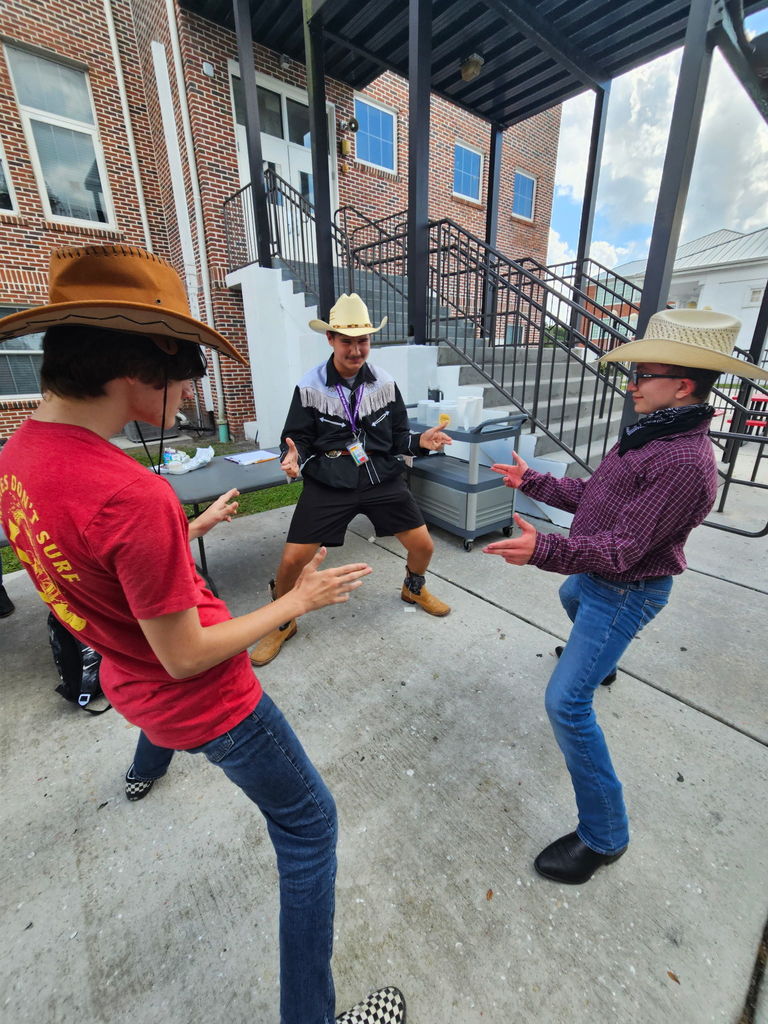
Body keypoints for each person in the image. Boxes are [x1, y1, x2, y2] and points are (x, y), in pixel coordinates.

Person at [0, 244, 406, 1024]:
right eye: (186, 372)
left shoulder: (19, 456)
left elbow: (91, 565)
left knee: (152, 709)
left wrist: (186, 529)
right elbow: (183, 654)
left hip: (128, 679)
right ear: (140, 366)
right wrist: (298, 599)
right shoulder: (130, 495)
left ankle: (142, 770)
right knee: (310, 826)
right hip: (205, 699)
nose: (190, 392)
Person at [483, 308, 768, 886]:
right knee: (571, 595)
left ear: (682, 386)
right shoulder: (649, 435)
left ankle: (605, 836)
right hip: (596, 580)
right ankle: (602, 664)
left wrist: (542, 549)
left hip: (626, 590)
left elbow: (621, 550)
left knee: (566, 704)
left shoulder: (684, 461)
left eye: (643, 374)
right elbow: (596, 498)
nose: (631, 384)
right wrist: (532, 481)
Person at [250, 293, 452, 667]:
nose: (356, 350)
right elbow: (296, 439)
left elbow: (398, 437)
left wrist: (421, 442)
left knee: (423, 546)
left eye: (363, 341)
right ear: (330, 339)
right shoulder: (310, 386)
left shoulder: (385, 383)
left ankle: (413, 588)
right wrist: (293, 458)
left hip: (380, 477)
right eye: (347, 341)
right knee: (292, 559)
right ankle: (282, 619)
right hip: (329, 479)